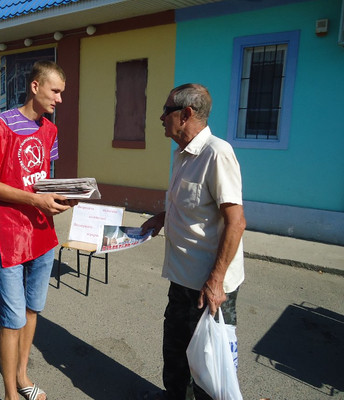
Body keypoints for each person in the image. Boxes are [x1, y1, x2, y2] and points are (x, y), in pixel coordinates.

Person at [0, 60, 76, 400]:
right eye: (55, 91)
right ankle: (10, 394)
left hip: (42, 231)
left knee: (32, 310)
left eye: (62, 93)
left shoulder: (50, 131)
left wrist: (65, 197)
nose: (59, 99)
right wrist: (35, 200)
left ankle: (23, 377)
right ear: (36, 86)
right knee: (12, 319)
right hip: (10, 233)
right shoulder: (1, 125)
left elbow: (41, 181)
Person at [140, 84, 246, 400]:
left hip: (207, 286)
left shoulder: (217, 153)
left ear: (186, 114)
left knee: (208, 366)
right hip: (182, 277)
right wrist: (162, 217)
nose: (161, 117)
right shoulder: (183, 155)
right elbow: (194, 206)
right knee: (176, 353)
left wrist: (215, 281)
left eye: (167, 110)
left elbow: (236, 222)